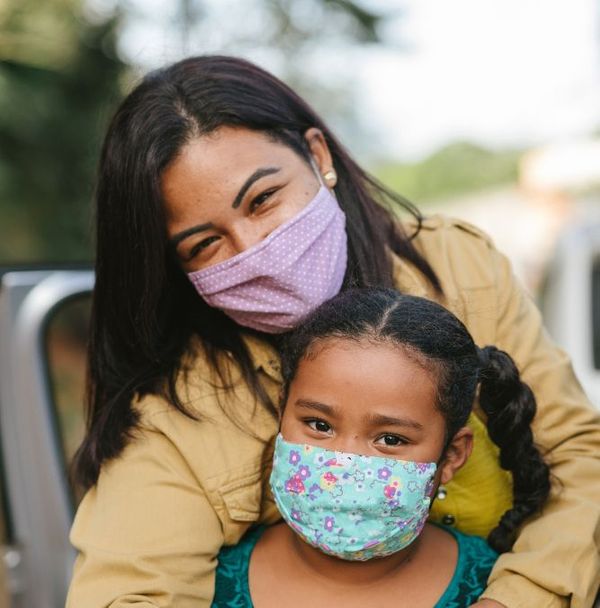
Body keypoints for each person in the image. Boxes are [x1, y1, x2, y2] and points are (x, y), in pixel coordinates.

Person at [66, 55, 600, 608]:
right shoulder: (179, 409)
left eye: (263, 199)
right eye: (205, 245)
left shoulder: (458, 268)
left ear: (318, 156)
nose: (256, 253)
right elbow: (130, 590)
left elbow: (579, 458)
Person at [212, 288, 550, 607]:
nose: (343, 462)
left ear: (452, 455)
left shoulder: (495, 587)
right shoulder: (206, 581)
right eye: (319, 425)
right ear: (282, 411)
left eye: (390, 439)